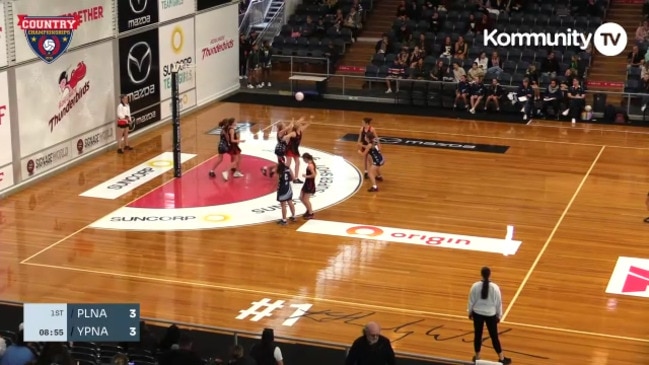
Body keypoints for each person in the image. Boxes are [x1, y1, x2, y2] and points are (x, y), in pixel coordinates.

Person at [467, 267, 511, 364]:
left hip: (477, 314)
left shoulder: (475, 286)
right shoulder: (495, 287)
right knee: (494, 336)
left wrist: (469, 312)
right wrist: (499, 315)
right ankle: (501, 358)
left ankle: (477, 357)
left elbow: (471, 301)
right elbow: (498, 303)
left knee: (477, 336)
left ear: (481, 274)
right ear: (490, 274)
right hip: (491, 314)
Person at [285, 117, 309, 183]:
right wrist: (285, 137)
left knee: (297, 163)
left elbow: (307, 125)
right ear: (298, 127)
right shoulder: (293, 133)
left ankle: (296, 178)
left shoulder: (300, 131)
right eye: (300, 125)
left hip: (295, 149)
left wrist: (310, 120)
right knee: (288, 163)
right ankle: (283, 175)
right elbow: (288, 136)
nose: (301, 125)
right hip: (290, 148)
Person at [276, 160, 296, 225]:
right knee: (290, 202)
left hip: (282, 189)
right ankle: (294, 216)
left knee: (283, 205)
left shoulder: (279, 171)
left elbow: (278, 182)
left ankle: (284, 220)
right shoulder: (288, 169)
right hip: (288, 187)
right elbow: (293, 178)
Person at [300, 153, 317, 219]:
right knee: (301, 197)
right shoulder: (311, 164)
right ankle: (308, 209)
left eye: (304, 159)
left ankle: (311, 213)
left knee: (306, 199)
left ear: (306, 158)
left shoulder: (310, 165)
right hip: (307, 183)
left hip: (309, 184)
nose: (304, 161)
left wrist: (306, 176)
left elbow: (314, 174)